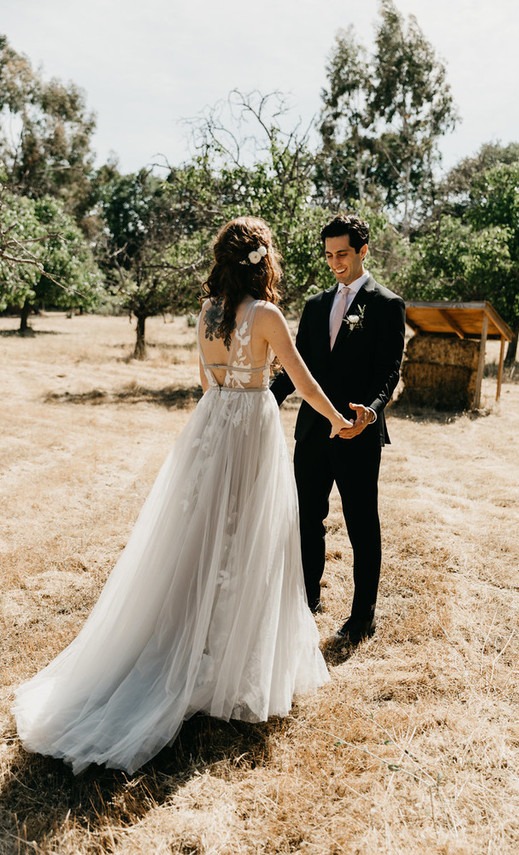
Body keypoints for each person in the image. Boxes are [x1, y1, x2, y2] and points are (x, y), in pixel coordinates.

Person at [12, 217, 352, 775]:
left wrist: (226, 404)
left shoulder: (208, 314)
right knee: (247, 541)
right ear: (263, 261)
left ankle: (192, 643)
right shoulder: (266, 316)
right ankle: (223, 662)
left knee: (200, 538)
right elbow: (304, 381)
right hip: (250, 433)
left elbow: (204, 379)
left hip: (211, 425)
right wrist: (337, 420)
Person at [271, 215, 406, 644]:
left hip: (358, 434)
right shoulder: (314, 306)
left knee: (361, 523)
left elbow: (389, 371)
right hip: (312, 433)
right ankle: (306, 601)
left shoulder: (387, 305)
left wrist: (370, 410)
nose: (335, 263)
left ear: (363, 251)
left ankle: (362, 616)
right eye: (329, 255)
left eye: (343, 254)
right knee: (307, 520)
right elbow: (299, 369)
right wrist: (264, 400)